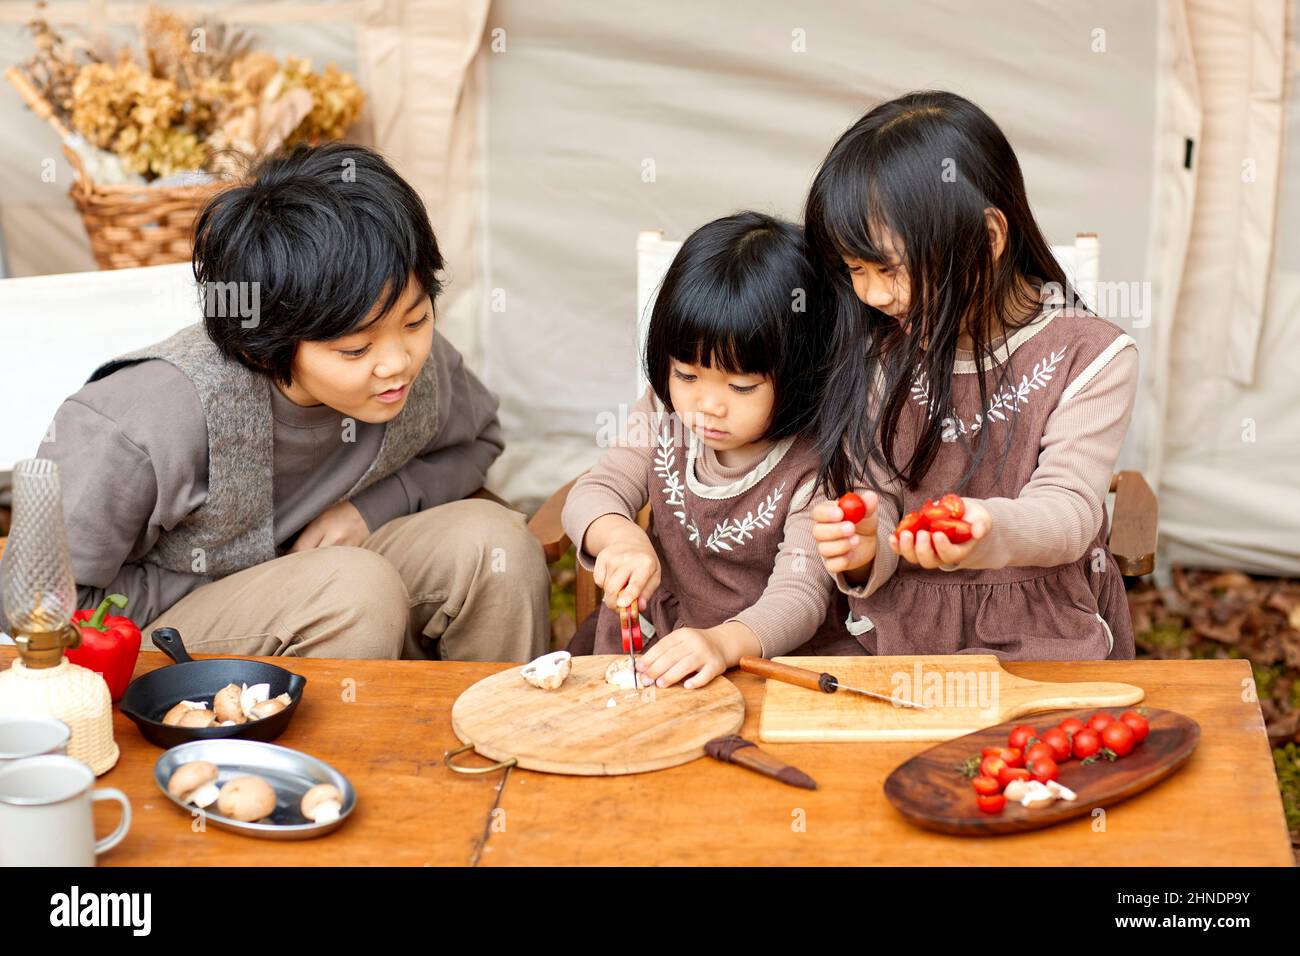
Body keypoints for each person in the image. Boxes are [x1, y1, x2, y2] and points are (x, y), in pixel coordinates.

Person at [0, 143, 549, 662]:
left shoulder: (413, 366)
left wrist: (370, 511)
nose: (398, 362)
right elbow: (36, 604)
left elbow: (479, 439)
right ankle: (328, 764)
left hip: (324, 577)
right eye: (355, 348)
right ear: (265, 347)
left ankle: (501, 741)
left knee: (495, 545)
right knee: (352, 589)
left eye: (416, 318)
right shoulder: (146, 421)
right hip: (158, 636)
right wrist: (252, 570)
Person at [807, 91, 1138, 659]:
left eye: (888, 268)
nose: (872, 294)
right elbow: (876, 498)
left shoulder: (1090, 355)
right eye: (854, 270)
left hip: (1040, 628)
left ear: (987, 239)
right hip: (900, 636)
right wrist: (867, 547)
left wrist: (984, 527)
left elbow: (1070, 509)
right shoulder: (879, 348)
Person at [562, 211, 855, 689]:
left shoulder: (815, 465)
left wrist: (723, 643)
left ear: (801, 372)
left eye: (740, 387)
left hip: (770, 658)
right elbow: (595, 491)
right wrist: (619, 538)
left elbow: (800, 595)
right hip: (662, 640)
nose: (707, 406)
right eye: (687, 375)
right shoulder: (663, 414)